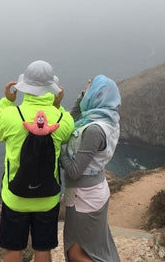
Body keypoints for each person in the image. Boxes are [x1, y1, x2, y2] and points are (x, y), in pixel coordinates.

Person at [0, 60, 75, 262]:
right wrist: (56, 106)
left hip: (15, 196)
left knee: (13, 249)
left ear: (24, 86)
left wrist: (7, 102)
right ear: (52, 88)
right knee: (43, 250)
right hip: (48, 198)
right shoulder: (63, 118)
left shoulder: (10, 115)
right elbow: (67, 136)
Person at [59, 75, 121, 262]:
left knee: (76, 252)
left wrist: (56, 148)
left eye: (90, 92)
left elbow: (75, 171)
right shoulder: (107, 119)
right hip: (87, 191)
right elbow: (71, 120)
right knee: (91, 247)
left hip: (84, 196)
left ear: (96, 96)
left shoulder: (94, 130)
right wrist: (82, 95)